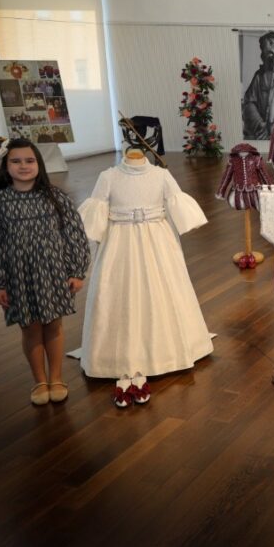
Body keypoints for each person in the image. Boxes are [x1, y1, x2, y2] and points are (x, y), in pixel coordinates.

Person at [78, 149, 213, 400]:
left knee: (162, 290)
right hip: (119, 243)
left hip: (157, 241)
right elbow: (95, 215)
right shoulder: (108, 177)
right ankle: (112, 356)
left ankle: (167, 351)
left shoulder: (161, 175)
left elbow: (178, 204)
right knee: (120, 292)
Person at [0, 139, 90, 406]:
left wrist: (76, 270)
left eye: (29, 160)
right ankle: (40, 380)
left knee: (53, 325)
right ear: (6, 166)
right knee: (30, 328)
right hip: (18, 278)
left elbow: (75, 235)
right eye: (16, 161)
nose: (23, 166)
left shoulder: (56, 197)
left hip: (54, 274)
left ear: (39, 163)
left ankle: (57, 377)